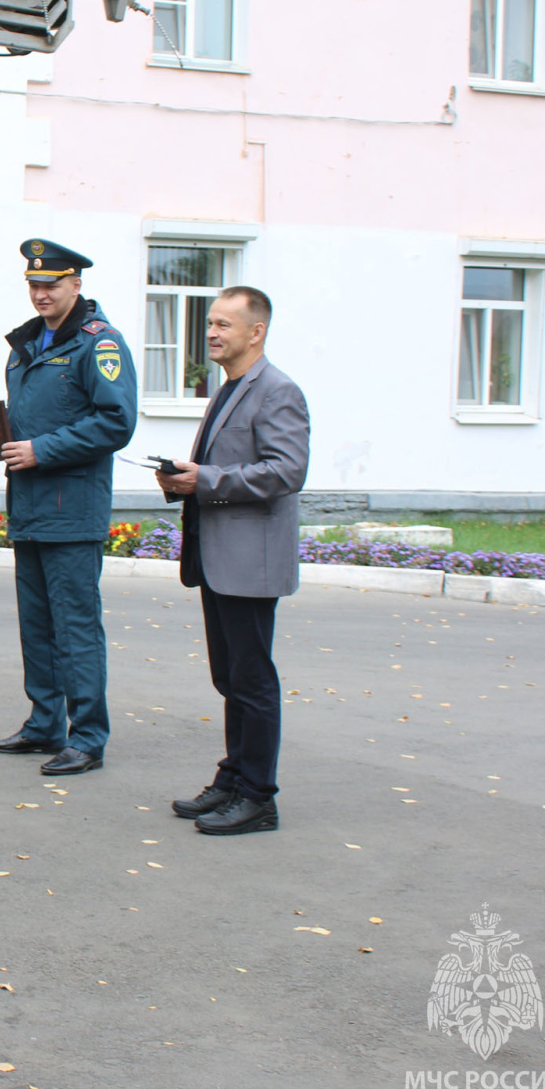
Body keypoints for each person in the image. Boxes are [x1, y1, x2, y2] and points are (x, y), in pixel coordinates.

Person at [0, 239, 137, 777]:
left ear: (77, 285)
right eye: (34, 285)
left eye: (51, 284)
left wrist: (40, 450)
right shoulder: (26, 344)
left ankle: (87, 736)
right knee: (38, 625)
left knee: (75, 627)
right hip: (30, 506)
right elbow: (35, 418)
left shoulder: (99, 344)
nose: (41, 293)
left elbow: (117, 422)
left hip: (72, 509)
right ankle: (45, 722)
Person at [156, 286, 309, 836]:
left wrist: (207, 480)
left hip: (250, 562)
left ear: (256, 331)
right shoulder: (230, 390)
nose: (213, 333)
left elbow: (287, 471)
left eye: (224, 324)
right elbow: (227, 467)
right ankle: (233, 777)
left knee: (252, 679)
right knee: (231, 676)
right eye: (211, 324)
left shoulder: (277, 391)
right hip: (219, 556)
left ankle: (258, 796)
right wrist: (182, 480)